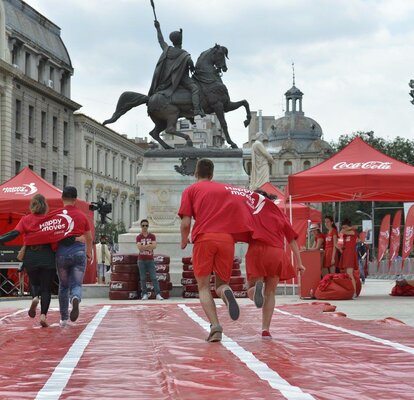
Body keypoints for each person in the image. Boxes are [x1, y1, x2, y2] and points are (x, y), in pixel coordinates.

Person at [179, 159, 254, 342]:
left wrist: (183, 241)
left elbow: (186, 222)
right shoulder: (225, 189)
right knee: (221, 284)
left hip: (205, 238)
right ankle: (226, 292)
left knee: (203, 286)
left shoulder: (191, 190)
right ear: (212, 174)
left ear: (196, 174)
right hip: (227, 239)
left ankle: (216, 326)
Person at [245, 190, 305, 338]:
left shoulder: (251, 212)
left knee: (250, 287)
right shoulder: (278, 214)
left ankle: (255, 292)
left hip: (257, 250)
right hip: (276, 253)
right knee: (270, 293)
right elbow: (291, 240)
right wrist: (299, 263)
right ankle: (265, 329)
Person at [0, 194, 56, 327]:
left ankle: (35, 297)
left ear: (32, 205)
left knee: (34, 281)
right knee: (46, 288)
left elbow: (14, 233)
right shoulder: (50, 219)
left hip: (31, 255)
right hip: (47, 255)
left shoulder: (26, 219)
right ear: (45, 206)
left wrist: (0, 239)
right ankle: (43, 316)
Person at [149, 20, 205, 117]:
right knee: (195, 88)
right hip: (182, 79)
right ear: (180, 41)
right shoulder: (184, 54)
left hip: (170, 80)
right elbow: (192, 67)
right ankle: (196, 109)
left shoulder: (167, 49)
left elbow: (161, 41)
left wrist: (158, 28)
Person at [56, 187, 93, 327]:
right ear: (75, 199)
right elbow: (89, 237)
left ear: (62, 198)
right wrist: (88, 252)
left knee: (63, 286)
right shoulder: (82, 215)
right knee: (76, 284)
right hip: (78, 253)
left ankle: (64, 318)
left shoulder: (56, 216)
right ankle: (76, 298)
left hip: (62, 254)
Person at [136, 219, 164, 301]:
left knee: (154, 277)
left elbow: (154, 246)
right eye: (143, 225)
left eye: (146, 225)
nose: (145, 227)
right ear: (141, 226)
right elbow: (139, 247)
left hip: (150, 259)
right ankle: (144, 294)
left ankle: (158, 294)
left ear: (148, 226)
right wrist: (149, 245)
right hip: (141, 260)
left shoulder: (152, 236)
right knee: (143, 278)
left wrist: (144, 246)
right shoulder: (138, 237)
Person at [338, 218, 359, 297]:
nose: (343, 229)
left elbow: (354, 228)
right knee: (347, 274)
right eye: (342, 227)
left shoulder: (353, 232)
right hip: (345, 253)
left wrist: (346, 229)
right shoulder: (343, 234)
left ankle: (354, 292)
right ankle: (350, 291)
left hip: (350, 253)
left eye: (345, 227)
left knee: (350, 273)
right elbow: (339, 241)